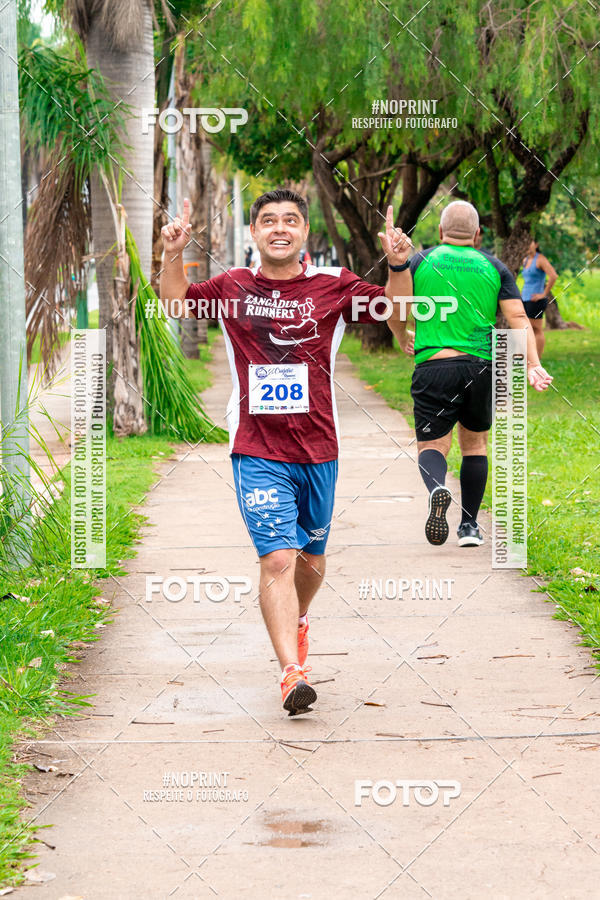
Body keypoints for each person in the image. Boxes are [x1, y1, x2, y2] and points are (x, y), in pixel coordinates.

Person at [159, 189, 412, 715]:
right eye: (268, 220)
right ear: (253, 233)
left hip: (319, 445)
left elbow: (397, 314)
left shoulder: (334, 285)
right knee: (277, 557)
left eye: (290, 220)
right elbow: (176, 301)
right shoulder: (232, 287)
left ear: (304, 232)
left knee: (311, 560)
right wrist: (171, 255)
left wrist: (397, 264)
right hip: (256, 445)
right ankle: (290, 674)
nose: (279, 227)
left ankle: (298, 620)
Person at [387, 200, 553, 548]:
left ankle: (437, 489)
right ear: (478, 234)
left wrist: (402, 335)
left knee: (433, 445)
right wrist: (533, 363)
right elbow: (519, 319)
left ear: (441, 232)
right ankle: (469, 527)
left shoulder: (420, 260)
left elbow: (397, 305)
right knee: (475, 444)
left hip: (435, 365)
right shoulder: (494, 266)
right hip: (482, 367)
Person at [520, 240, 557, 359]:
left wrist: (544, 294)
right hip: (525, 299)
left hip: (536, 300)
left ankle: (538, 358)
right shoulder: (525, 260)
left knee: (536, 329)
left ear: (536, 245)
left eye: (530, 243)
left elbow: (553, 276)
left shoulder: (540, 259)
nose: (527, 246)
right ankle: (530, 357)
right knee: (526, 328)